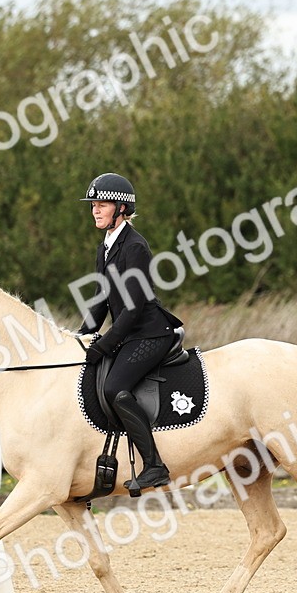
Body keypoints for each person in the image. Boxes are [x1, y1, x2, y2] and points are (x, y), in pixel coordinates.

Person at [78, 172, 184, 491]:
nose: (95, 210)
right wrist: (82, 337)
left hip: (152, 333)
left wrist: (106, 344)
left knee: (115, 388)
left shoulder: (135, 246)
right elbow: (100, 300)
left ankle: (154, 465)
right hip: (132, 334)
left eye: (102, 204)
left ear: (121, 209)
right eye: (93, 205)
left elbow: (134, 306)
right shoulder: (105, 248)